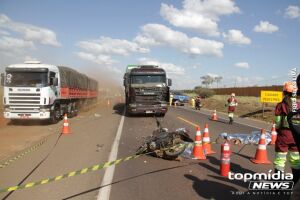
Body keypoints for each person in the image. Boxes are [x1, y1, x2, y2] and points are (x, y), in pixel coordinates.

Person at [274, 82, 300, 185]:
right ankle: (296, 184)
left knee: (280, 161)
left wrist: (277, 130)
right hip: (296, 137)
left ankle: (277, 185)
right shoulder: (298, 105)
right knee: (296, 160)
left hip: (283, 136)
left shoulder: (280, 106)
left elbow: (278, 123)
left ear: (284, 92)